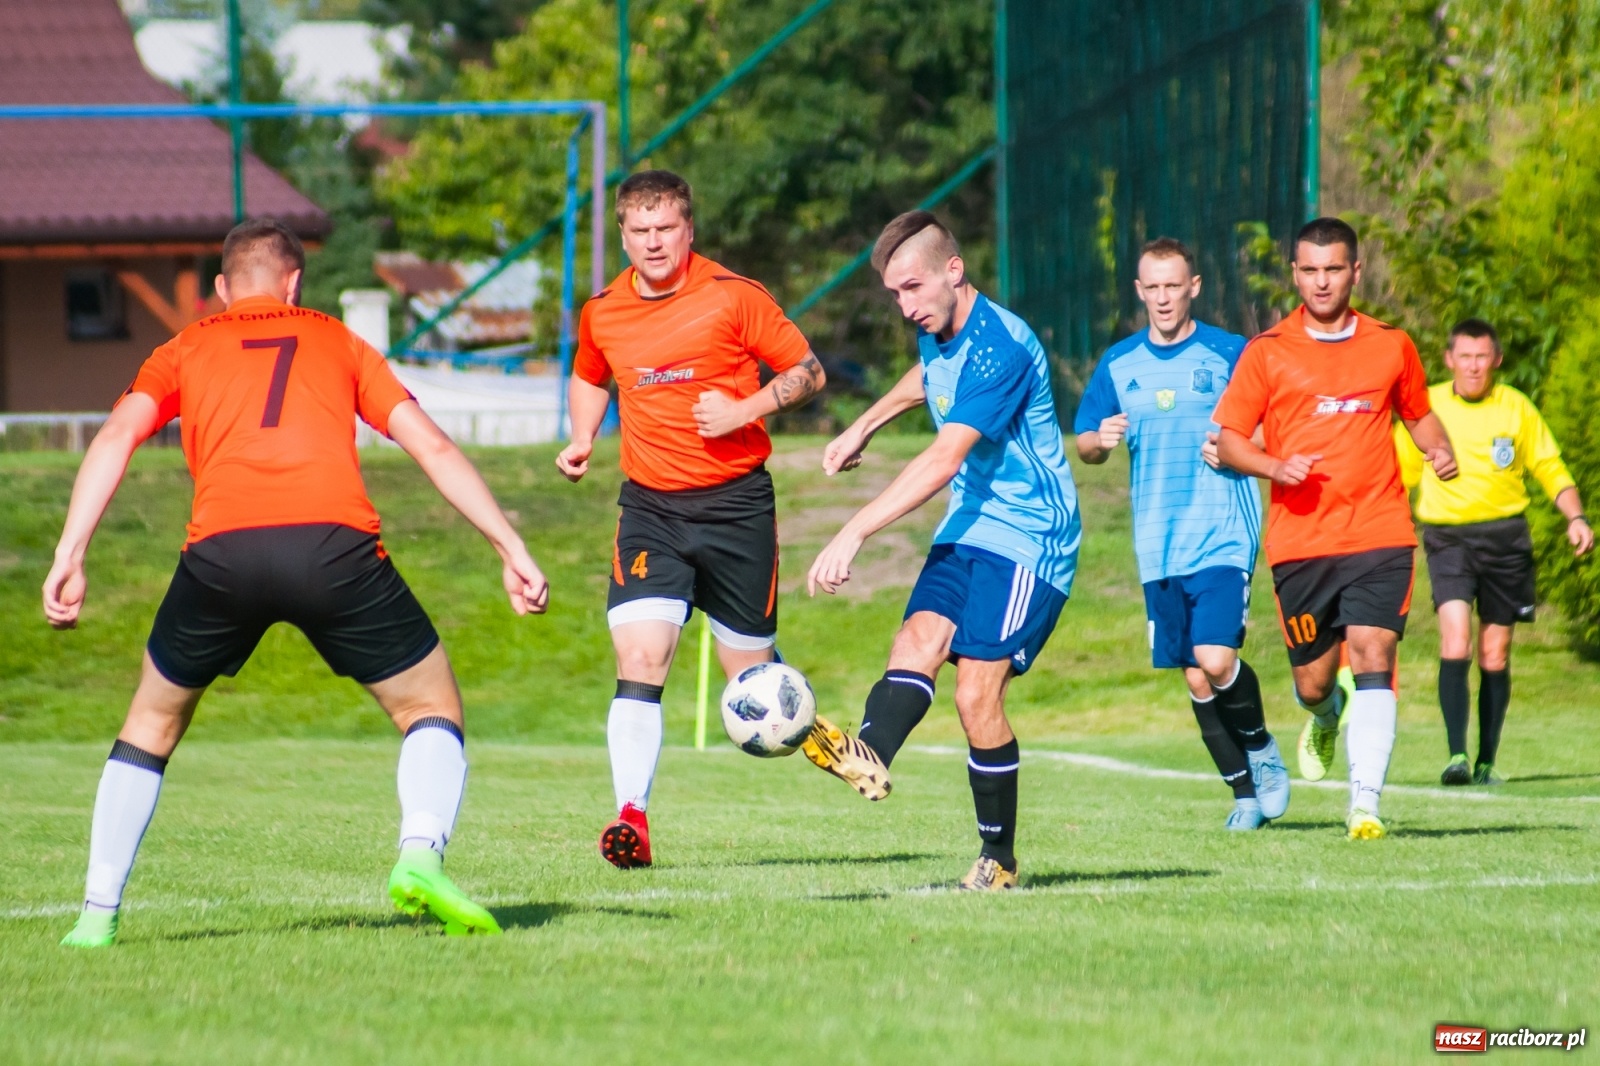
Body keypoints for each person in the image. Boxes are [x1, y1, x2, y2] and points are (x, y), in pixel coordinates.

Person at [46, 218, 547, 947]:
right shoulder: (338, 339)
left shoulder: (184, 346)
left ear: (221, 290)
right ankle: (419, 855)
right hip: (333, 547)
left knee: (151, 723)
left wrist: (71, 551)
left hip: (221, 554)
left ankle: (96, 915)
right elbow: (429, 444)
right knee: (429, 705)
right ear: (294, 281)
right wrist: (509, 543)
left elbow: (117, 435)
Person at [556, 170, 840, 870]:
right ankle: (632, 818)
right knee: (642, 659)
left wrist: (746, 410)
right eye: (639, 231)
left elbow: (809, 370)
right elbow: (590, 375)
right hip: (651, 507)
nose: (653, 243)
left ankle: (821, 735)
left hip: (738, 505)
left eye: (666, 229)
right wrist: (584, 436)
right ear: (623, 235)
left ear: (689, 230)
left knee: (752, 681)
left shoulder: (733, 297)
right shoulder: (602, 311)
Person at [808, 210, 1081, 891]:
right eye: (895, 293)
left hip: (1031, 537)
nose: (905, 307)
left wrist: (855, 528)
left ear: (953, 271)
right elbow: (927, 377)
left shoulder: (1002, 349)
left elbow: (942, 457)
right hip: (972, 523)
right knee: (915, 642)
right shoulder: (943, 329)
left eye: (913, 288)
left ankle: (1000, 859)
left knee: (973, 695)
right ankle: (866, 753)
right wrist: (865, 423)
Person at [1214, 216, 1459, 841]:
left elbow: (1418, 414)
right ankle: (1325, 716)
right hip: (1301, 544)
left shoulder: (1391, 344)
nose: (1322, 282)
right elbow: (1228, 442)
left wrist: (1439, 449)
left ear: (1357, 270)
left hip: (1380, 532)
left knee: (1375, 652)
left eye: (1334, 269)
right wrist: (1275, 465)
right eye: (1310, 270)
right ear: (1295, 274)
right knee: (1313, 680)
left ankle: (1365, 805)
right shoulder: (1266, 352)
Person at [1073, 237, 1288, 830]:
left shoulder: (1230, 353)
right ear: (1139, 291)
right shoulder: (1119, 363)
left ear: (1194, 287)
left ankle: (1264, 751)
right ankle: (1244, 796)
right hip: (1157, 544)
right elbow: (1086, 442)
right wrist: (1100, 441)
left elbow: (1274, 430)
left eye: (1175, 286)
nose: (1164, 298)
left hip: (1221, 530)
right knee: (1195, 676)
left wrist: (1239, 448)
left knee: (1216, 659)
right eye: (1154, 287)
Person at [1394, 318, 1593, 786]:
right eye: (1465, 357)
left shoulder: (1516, 408)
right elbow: (1398, 471)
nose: (1474, 367)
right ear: (1449, 360)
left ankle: (1486, 761)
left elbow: (1549, 464)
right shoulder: (1428, 408)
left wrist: (1576, 517)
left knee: (1495, 655)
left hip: (1506, 540)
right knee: (1456, 640)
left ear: (1496, 360)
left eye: (1482, 357)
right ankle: (1456, 756)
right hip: (1448, 540)